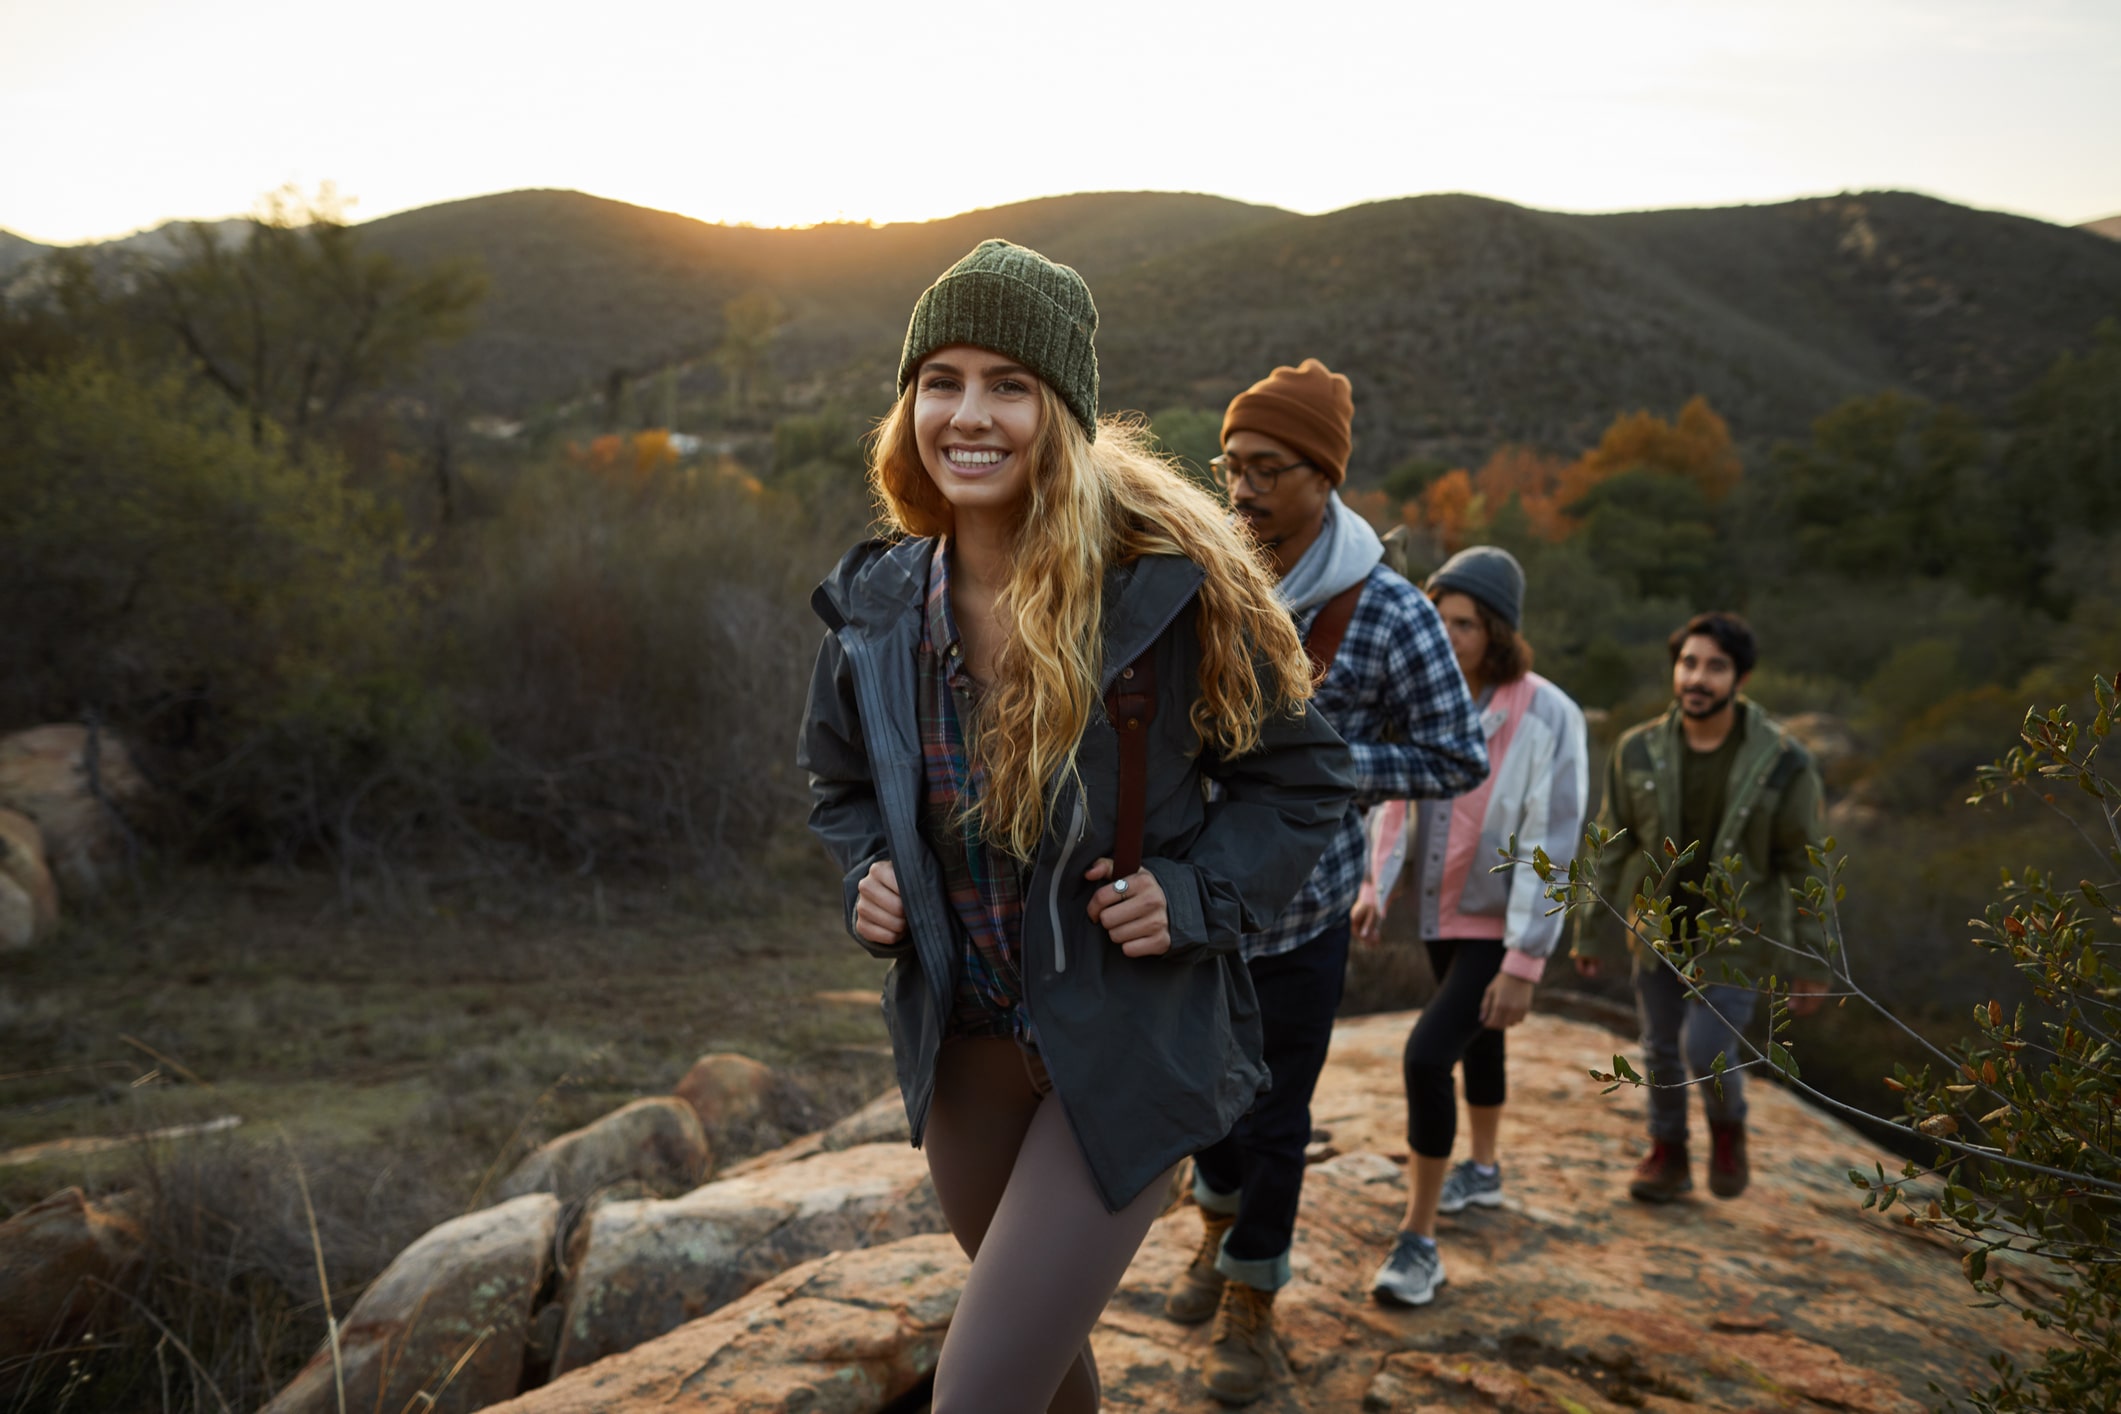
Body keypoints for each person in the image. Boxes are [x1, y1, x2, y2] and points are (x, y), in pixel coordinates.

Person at [797, 240, 1355, 1414]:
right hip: (965, 1047)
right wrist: (866, 876)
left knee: (977, 1392)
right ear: (909, 404)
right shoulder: (879, 604)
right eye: (940, 379)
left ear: (1063, 411)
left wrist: (1197, 894)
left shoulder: (1168, 589)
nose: (970, 413)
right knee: (1042, 1377)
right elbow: (841, 783)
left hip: (1128, 1044)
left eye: (1009, 383)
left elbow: (1305, 781)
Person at [1162, 359, 1487, 1405]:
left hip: (1303, 916)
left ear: (1324, 476)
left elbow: (1456, 753)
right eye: (1231, 465)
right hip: (1190, 906)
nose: (1241, 488)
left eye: (1265, 468)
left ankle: (1253, 1299)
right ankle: (1211, 1234)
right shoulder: (1197, 572)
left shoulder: (1391, 612)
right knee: (1197, 1102)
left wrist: (1331, 767)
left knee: (1277, 1113)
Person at [1349, 545, 1589, 1307]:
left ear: (1498, 631)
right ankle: (1481, 1170)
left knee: (1426, 1057)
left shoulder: (1546, 712)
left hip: (1499, 921)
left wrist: (1524, 960)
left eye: (1464, 622)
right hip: (1435, 910)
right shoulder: (1417, 693)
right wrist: (1374, 885)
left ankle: (1418, 1242)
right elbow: (1394, 797)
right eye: (1437, 617)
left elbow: (1557, 835)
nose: (1446, 634)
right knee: (1477, 1040)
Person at [1569, 611, 1830, 1204]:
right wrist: (1589, 929)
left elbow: (1808, 864)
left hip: (1737, 937)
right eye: (1689, 663)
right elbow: (1611, 841)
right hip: (1658, 929)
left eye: (1716, 666)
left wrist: (1815, 960)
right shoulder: (1637, 751)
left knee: (1706, 1049)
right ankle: (1668, 1154)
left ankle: (1726, 1127)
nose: (1698, 678)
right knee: (1659, 1048)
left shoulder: (1784, 762)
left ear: (1740, 677)